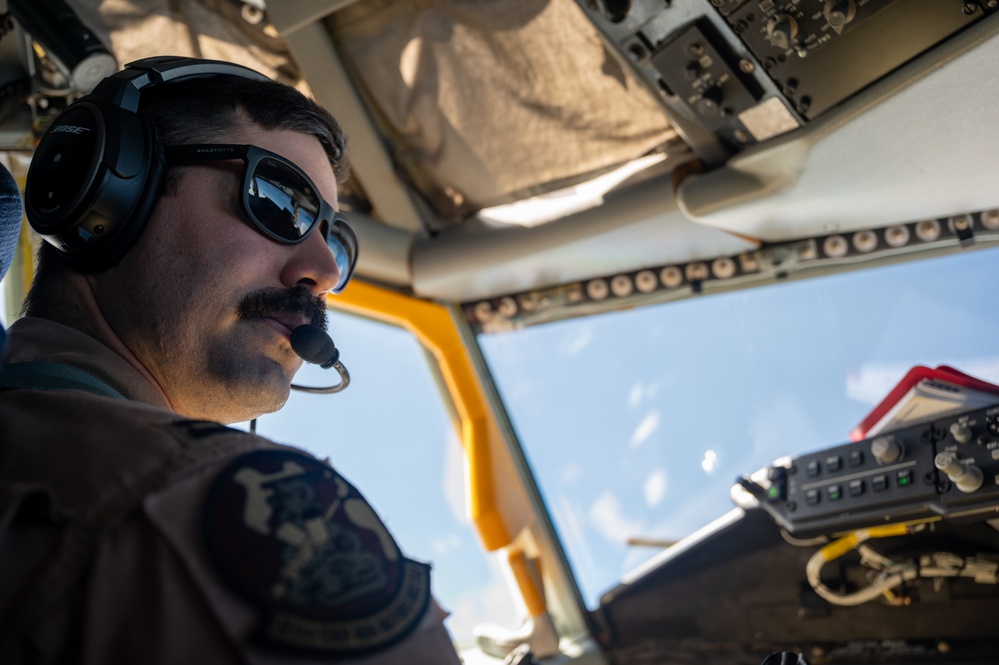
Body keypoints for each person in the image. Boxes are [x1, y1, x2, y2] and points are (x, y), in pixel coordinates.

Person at [0, 56, 462, 664]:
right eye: (278, 199)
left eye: (334, 239)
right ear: (110, 191)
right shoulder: (207, 499)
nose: (323, 274)